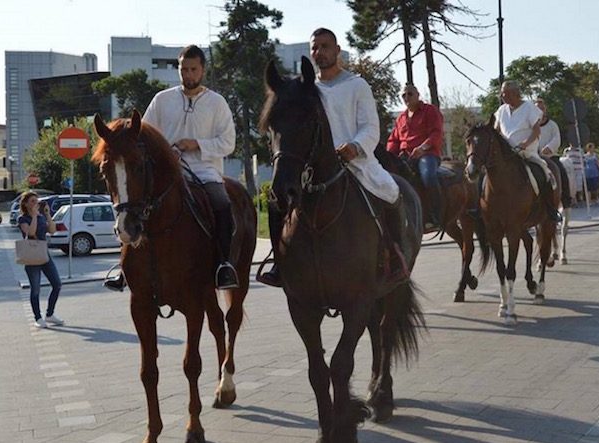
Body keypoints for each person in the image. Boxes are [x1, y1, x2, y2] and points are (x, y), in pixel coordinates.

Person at [259, 28, 405, 287]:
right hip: (312, 167)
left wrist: (355, 146)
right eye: (315, 48)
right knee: (276, 200)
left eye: (325, 46)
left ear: (337, 50)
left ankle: (394, 254)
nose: (320, 52)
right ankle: (279, 263)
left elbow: (371, 127)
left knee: (391, 191)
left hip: (356, 162)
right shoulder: (305, 88)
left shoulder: (357, 85)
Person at [104, 44, 239, 291]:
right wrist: (166, 154)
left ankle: (223, 264)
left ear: (203, 70)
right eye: (183, 69)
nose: (188, 75)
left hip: (203, 170)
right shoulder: (162, 100)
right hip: (165, 172)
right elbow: (140, 137)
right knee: (135, 204)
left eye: (193, 69)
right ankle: (125, 268)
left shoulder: (216, 103)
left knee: (221, 203)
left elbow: (228, 142)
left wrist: (196, 144)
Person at [493, 81, 559, 221]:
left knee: (543, 173)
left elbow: (536, 130)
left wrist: (525, 143)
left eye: (504, 93)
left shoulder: (529, 107)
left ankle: (549, 208)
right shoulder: (501, 110)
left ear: (514, 94)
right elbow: (496, 131)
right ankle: (479, 207)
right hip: (506, 155)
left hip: (526, 153)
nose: (501, 95)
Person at [386, 84, 444, 230]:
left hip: (427, 155)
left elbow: (436, 133)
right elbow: (394, 140)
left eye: (410, 94)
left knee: (428, 177)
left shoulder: (430, 111)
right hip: (405, 156)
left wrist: (422, 148)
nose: (406, 97)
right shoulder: (401, 118)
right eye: (403, 95)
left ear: (418, 95)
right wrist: (388, 155)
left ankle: (435, 216)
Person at [18, 192, 64, 329]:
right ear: (25, 204)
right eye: (32, 201)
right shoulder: (23, 219)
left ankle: (49, 314)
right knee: (36, 289)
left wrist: (47, 214)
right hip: (32, 256)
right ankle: (37, 317)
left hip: (44, 254)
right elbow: (30, 233)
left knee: (57, 284)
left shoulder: (42, 216)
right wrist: (33, 217)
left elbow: (53, 230)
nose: (35, 204)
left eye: (36, 201)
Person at [535, 98, 572, 207]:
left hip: (550, 157)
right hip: (535, 157)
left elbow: (556, 139)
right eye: (538, 108)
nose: (540, 110)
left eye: (542, 108)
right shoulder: (530, 125)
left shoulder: (552, 125)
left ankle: (566, 200)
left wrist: (549, 148)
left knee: (561, 173)